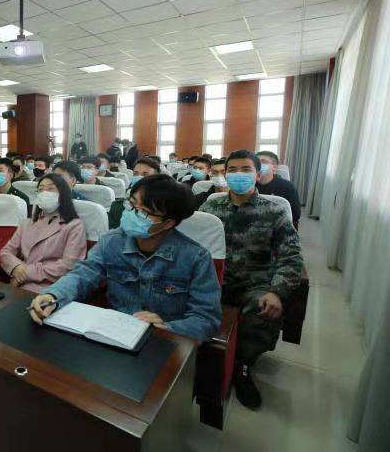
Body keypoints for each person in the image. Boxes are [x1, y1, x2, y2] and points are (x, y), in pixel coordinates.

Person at [28, 174, 221, 344]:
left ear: (168, 223)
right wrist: (53, 296)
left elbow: (206, 319)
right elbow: (84, 274)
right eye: (131, 204)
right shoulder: (111, 241)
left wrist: (167, 328)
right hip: (113, 334)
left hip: (162, 341)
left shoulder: (195, 257)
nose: (131, 213)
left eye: (143, 211)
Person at [199, 150, 303, 410]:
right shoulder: (210, 208)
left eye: (245, 170)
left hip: (254, 283)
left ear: (258, 175)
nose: (238, 175)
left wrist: (277, 291)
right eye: (232, 170)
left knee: (264, 310)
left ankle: (242, 365)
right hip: (212, 280)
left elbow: (291, 257)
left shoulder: (274, 211)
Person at [0, 174, 87, 293]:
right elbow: (7, 251)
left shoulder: (74, 225)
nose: (45, 193)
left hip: (53, 287)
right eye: (40, 190)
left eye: (51, 189)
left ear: (63, 194)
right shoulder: (28, 223)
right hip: (19, 281)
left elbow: (69, 265)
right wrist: (16, 267)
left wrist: (27, 273)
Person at [256, 151, 301, 228]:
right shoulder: (249, 185)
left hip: (277, 226)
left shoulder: (287, 187)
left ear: (275, 167)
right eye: (256, 162)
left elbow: (295, 215)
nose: (258, 165)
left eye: (263, 162)